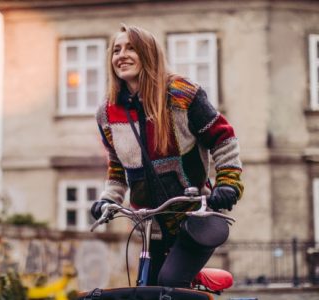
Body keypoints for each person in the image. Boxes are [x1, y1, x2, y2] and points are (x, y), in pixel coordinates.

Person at [91, 24, 244, 288]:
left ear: (148, 53)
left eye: (131, 48)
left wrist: (228, 184)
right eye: (116, 50)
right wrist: (108, 199)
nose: (122, 55)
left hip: (196, 219)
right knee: (146, 289)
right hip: (151, 226)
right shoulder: (107, 112)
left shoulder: (181, 94)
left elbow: (224, 139)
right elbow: (117, 166)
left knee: (169, 282)